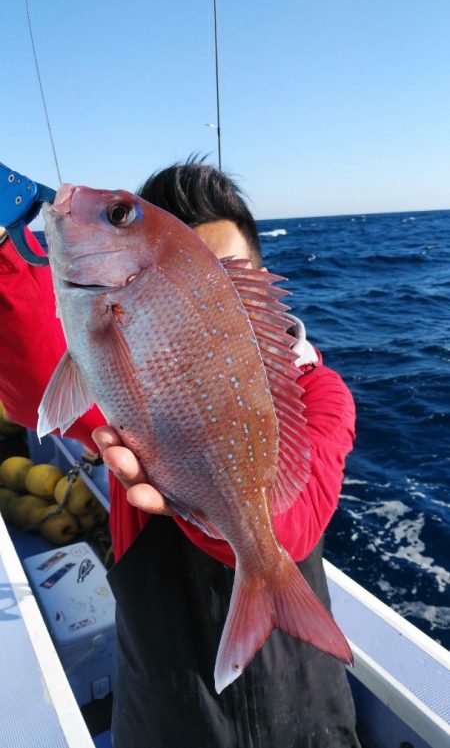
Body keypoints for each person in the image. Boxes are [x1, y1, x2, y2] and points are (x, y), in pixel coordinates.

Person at [0, 160, 361, 748]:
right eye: (195, 279)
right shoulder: (119, 384)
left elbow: (291, 524)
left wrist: (241, 533)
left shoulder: (320, 391)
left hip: (310, 718)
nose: (209, 296)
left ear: (261, 278)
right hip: (165, 721)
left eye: (226, 275)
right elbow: (37, 379)